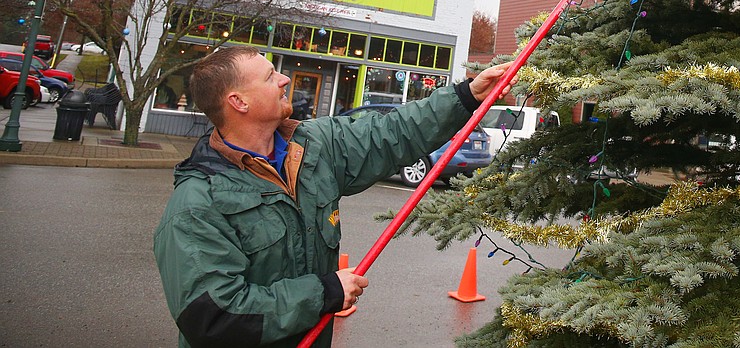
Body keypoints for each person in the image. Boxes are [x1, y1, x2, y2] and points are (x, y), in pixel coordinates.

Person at [153, 45, 513, 347]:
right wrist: (323, 293)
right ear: (239, 102)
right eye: (268, 76)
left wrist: (467, 95)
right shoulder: (196, 205)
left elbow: (391, 132)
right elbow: (214, 318)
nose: (284, 79)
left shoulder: (314, 146)